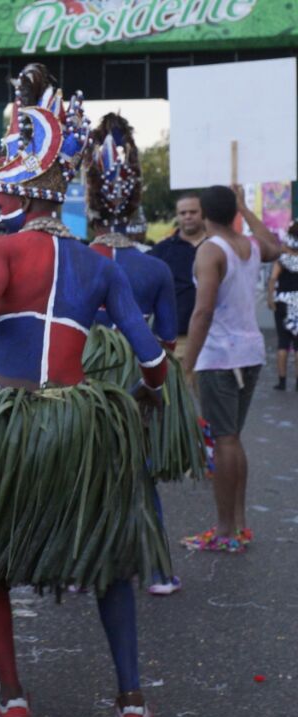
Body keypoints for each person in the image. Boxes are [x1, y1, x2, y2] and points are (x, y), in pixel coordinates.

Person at [0, 64, 168, 717]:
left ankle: (11, 695)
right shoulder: (97, 262)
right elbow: (150, 356)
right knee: (110, 560)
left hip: (4, 421)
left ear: (18, 185)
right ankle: (130, 698)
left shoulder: (4, 250)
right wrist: (150, 396)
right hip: (79, 421)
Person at [82, 113, 199, 597]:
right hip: (141, 380)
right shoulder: (151, 269)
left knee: (86, 472)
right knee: (143, 473)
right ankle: (158, 571)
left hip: (83, 381)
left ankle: (85, 567)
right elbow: (168, 339)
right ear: (132, 209)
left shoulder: (77, 260)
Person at [179, 184, 282, 553]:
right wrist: (245, 209)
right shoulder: (248, 245)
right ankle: (237, 525)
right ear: (233, 212)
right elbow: (274, 244)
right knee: (232, 439)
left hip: (220, 358)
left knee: (224, 441)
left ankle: (225, 531)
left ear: (204, 213)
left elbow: (203, 311)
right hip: (250, 354)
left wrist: (187, 365)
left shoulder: (211, 250)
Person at [149, 193, 208, 362]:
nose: (188, 216)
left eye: (193, 212)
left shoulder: (217, 246)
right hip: (177, 338)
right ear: (177, 215)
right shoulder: (162, 250)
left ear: (203, 213)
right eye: (183, 213)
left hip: (214, 337)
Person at [266, 221, 298, 390]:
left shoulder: (283, 259)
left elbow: (273, 278)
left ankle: (282, 381)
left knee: (283, 342)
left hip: (283, 301)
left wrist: (270, 298)